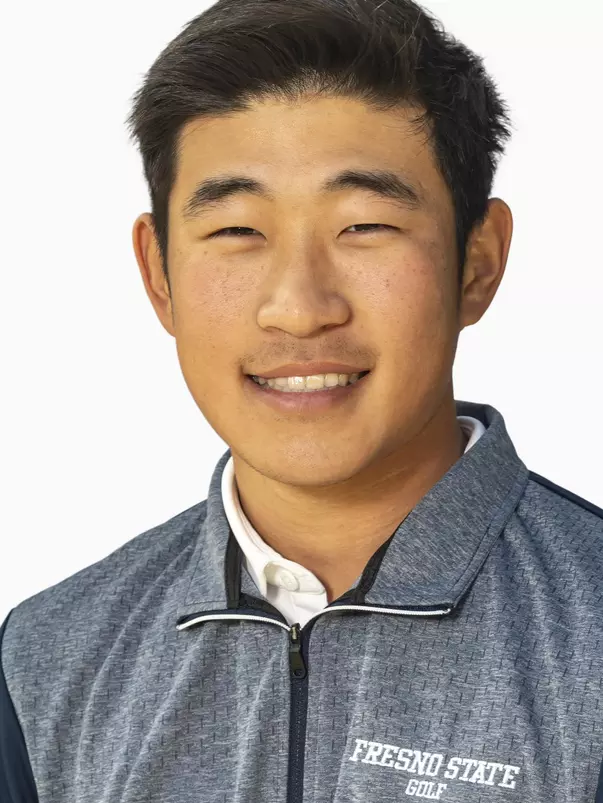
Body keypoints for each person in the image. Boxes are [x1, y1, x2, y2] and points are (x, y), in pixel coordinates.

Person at [1, 0, 602, 800]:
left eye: (363, 225)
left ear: (477, 262)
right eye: (236, 231)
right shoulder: (48, 655)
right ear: (158, 275)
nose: (298, 305)